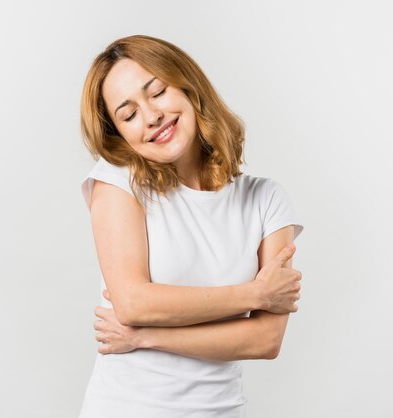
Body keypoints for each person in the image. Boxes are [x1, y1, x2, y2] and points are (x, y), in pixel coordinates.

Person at [77, 34, 304, 418]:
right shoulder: (119, 181)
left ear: (189, 87)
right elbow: (133, 302)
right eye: (128, 115)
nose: (151, 117)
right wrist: (255, 294)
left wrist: (145, 336)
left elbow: (265, 340)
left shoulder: (266, 199)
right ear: (121, 135)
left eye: (158, 92)